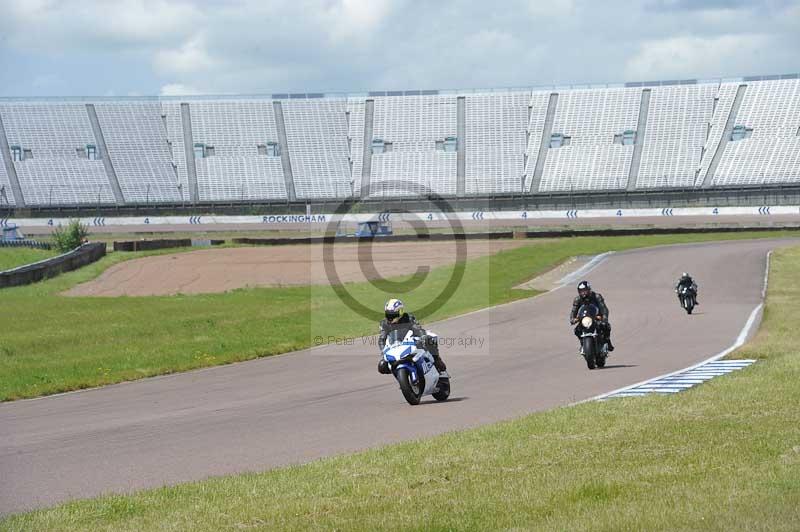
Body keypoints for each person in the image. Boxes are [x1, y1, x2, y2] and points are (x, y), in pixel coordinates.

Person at [377, 298, 447, 374]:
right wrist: (383, 351)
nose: (390, 318)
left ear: (400, 312)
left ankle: (436, 360)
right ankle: (401, 378)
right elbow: (382, 339)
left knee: (429, 339)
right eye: (388, 315)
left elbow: (418, 329)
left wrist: (423, 336)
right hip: (395, 346)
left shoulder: (408, 318)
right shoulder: (384, 323)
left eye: (393, 315)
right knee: (382, 366)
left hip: (411, 341)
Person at [569, 280, 614, 352]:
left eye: (585, 290)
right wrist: (572, 319)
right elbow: (573, 311)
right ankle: (583, 343)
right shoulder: (577, 299)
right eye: (581, 291)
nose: (583, 293)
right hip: (584, 319)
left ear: (589, 289)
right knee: (577, 330)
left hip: (596, 318)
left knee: (606, 326)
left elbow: (604, 308)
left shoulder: (597, 296)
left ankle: (607, 341)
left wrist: (604, 318)